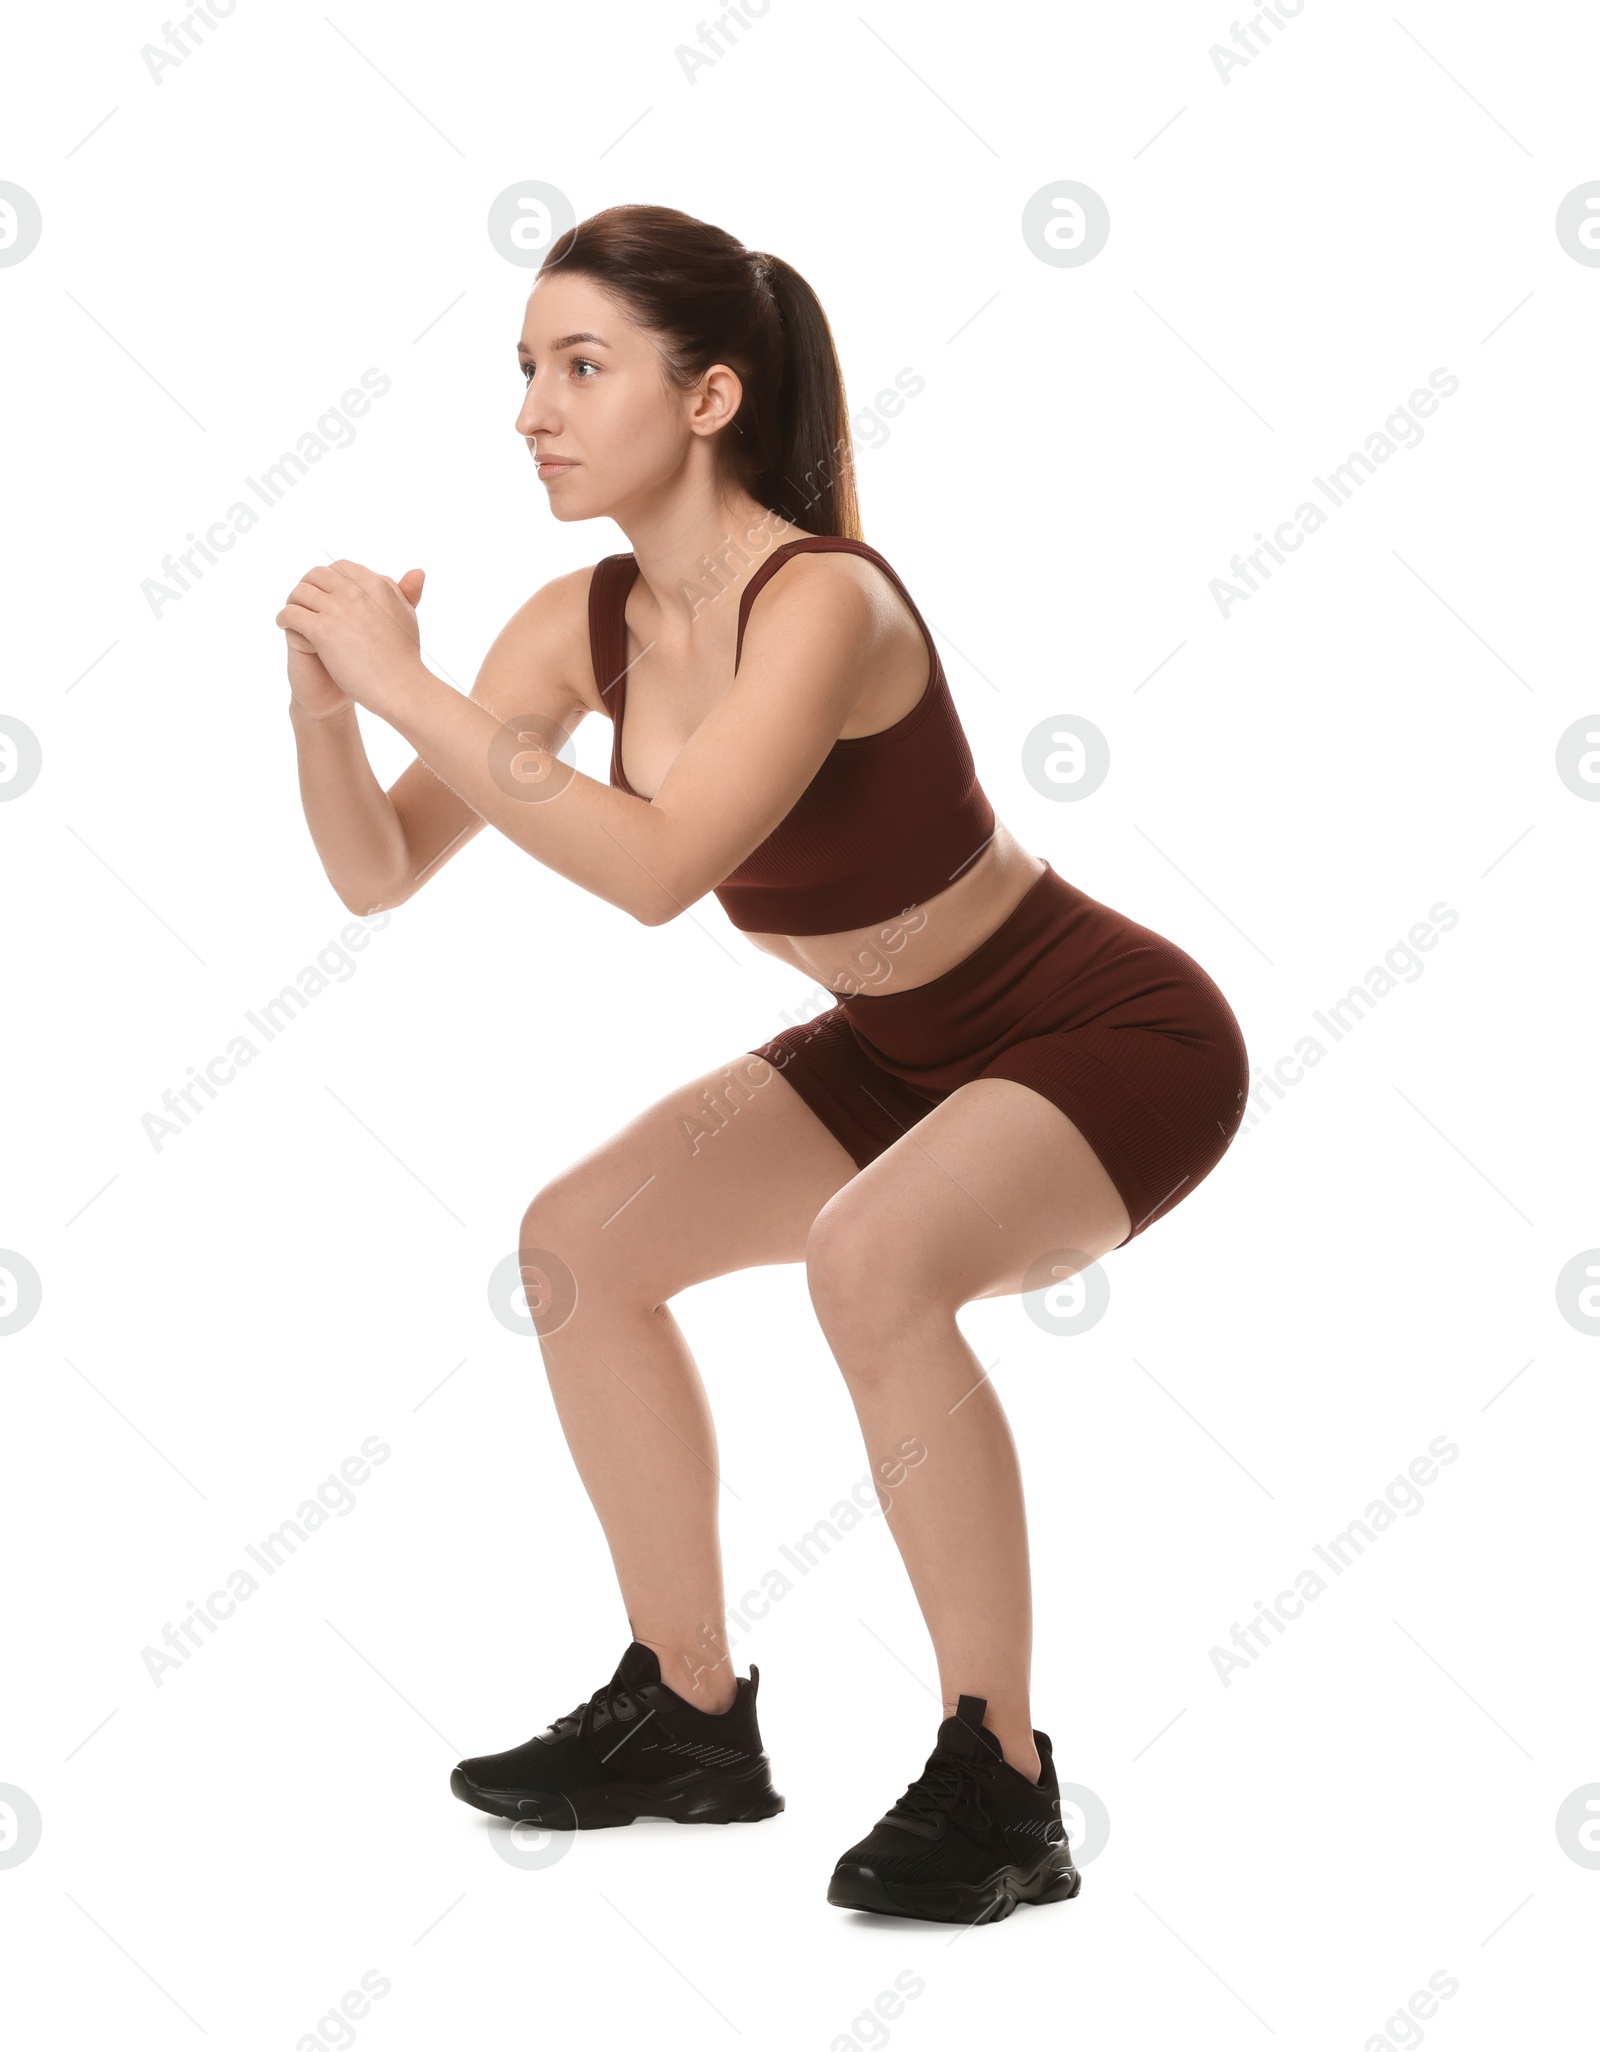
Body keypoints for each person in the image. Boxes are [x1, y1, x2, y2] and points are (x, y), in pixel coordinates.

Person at [277, 202, 1249, 1927]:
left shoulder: (829, 602)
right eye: (523, 369)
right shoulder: (579, 625)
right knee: (581, 1245)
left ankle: (1004, 1785)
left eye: (583, 366)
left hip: (1106, 1033)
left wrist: (405, 678)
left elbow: (655, 868)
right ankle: (689, 1715)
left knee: (871, 1259)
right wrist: (329, 707)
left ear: (712, 395)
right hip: (897, 1049)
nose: (533, 409)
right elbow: (376, 871)